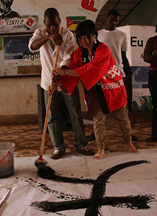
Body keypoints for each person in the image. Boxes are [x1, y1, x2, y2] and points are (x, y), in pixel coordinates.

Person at [53, 20, 137, 159]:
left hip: (113, 88)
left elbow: (90, 69)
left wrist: (65, 73)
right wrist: (59, 81)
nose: (84, 41)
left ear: (94, 35)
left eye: (87, 37)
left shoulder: (103, 49)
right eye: (80, 38)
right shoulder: (79, 53)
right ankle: (101, 148)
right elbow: (72, 67)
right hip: (95, 91)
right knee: (98, 120)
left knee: (122, 117)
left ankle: (128, 141)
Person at [28, 8, 94, 159]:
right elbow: (32, 46)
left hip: (66, 79)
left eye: (55, 25)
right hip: (48, 82)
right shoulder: (40, 33)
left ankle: (81, 144)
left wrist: (60, 73)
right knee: (51, 116)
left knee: (75, 114)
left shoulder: (68, 34)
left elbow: (68, 58)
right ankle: (59, 147)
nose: (53, 28)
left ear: (60, 21)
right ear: (44, 23)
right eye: (49, 25)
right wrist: (49, 37)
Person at [86, 9, 137, 142]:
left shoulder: (122, 35)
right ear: (106, 19)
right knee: (99, 106)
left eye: (116, 20)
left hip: (117, 74)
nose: (113, 22)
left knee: (122, 106)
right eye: (111, 19)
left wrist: (128, 73)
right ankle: (95, 132)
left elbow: (123, 56)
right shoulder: (98, 35)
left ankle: (128, 133)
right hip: (101, 75)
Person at [143, 27, 157, 142]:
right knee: (156, 105)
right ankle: (155, 134)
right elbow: (146, 57)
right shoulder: (152, 40)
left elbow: (151, 57)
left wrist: (155, 55)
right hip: (155, 75)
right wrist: (152, 55)